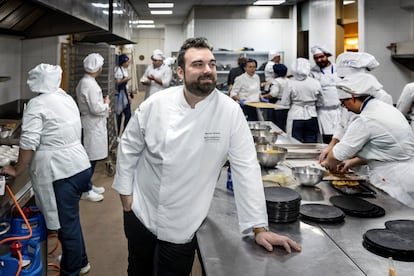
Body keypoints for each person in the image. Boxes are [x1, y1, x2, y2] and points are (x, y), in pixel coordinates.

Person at [112, 37, 301, 276]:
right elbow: (129, 146)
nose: (208, 70)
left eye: (211, 64)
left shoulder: (229, 111)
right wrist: (125, 193)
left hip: (185, 219)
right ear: (180, 72)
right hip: (142, 209)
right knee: (138, 269)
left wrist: (258, 227)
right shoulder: (156, 104)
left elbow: (246, 167)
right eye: (198, 64)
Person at [0, 64, 93, 275]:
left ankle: (71, 271)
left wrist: (17, 170)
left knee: (67, 229)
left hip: (62, 172)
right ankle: (82, 260)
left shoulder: (37, 104)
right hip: (79, 167)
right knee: (71, 220)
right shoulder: (65, 98)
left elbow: (29, 142)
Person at [321, 73, 414, 208]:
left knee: (392, 219)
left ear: (352, 98)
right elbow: (385, 150)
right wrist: (351, 162)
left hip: (392, 180)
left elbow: (336, 155)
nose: (344, 108)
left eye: (343, 103)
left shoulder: (366, 119)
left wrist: (327, 164)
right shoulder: (384, 108)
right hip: (405, 173)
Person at [319, 52, 393, 164]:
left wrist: (353, 160)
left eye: (345, 78)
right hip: (346, 154)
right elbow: (343, 124)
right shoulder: (348, 96)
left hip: (369, 161)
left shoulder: (382, 98)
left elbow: (382, 140)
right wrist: (331, 146)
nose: (343, 82)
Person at [76, 53, 109, 202]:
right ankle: (85, 190)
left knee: (92, 158)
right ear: (97, 68)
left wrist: (101, 104)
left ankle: (88, 184)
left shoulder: (88, 82)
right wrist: (106, 104)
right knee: (89, 159)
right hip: (91, 125)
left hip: (93, 124)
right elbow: (95, 109)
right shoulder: (88, 84)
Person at [280, 58, 321, 143]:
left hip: (295, 115)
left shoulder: (290, 82)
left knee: (295, 142)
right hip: (312, 115)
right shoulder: (315, 82)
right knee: (311, 143)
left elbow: (284, 103)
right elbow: (321, 101)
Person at [310, 45, 341, 144]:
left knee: (340, 136)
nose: (319, 60)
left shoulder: (338, 68)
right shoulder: (313, 72)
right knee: (327, 137)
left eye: (321, 57)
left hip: (338, 110)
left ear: (327, 56)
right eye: (316, 58)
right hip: (323, 110)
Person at [262, 63, 289, 131]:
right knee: (285, 126)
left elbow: (273, 94)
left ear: (275, 72)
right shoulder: (288, 80)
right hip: (287, 106)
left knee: (277, 127)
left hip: (278, 106)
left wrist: (262, 96)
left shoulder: (276, 81)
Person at [114, 54, 132, 136]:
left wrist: (128, 96)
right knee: (119, 115)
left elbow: (126, 86)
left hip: (124, 94)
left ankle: (125, 133)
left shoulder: (125, 70)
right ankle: (117, 134)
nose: (128, 63)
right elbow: (117, 83)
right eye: (127, 62)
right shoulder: (118, 70)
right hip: (119, 95)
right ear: (123, 62)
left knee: (128, 114)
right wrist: (126, 79)